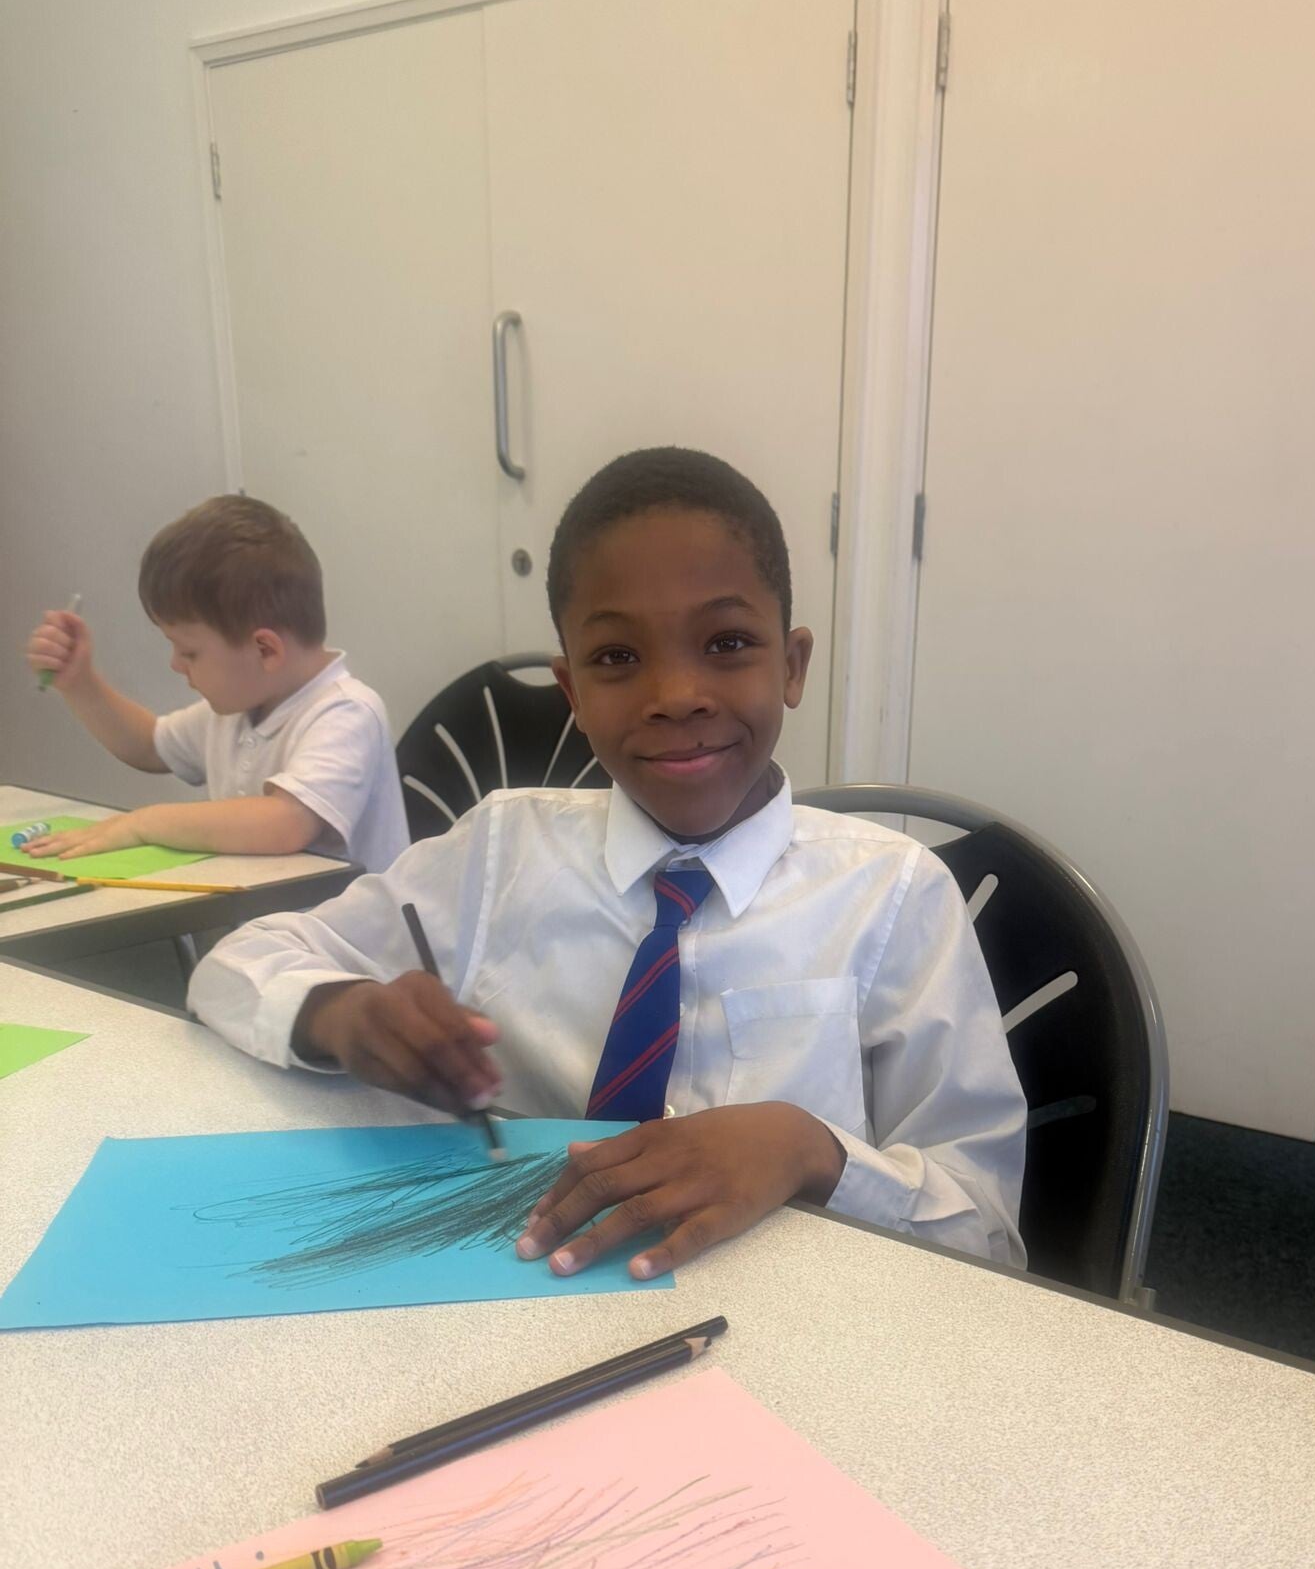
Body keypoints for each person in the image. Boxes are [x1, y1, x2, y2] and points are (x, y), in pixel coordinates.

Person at [188, 449, 1027, 1274]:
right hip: (514, 1290)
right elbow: (235, 966)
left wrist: (809, 1150)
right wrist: (339, 1014)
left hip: (795, 1324)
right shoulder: (499, 853)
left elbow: (986, 1229)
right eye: (618, 658)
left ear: (793, 665)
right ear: (573, 696)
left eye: (728, 642)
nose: (676, 695)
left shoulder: (894, 897)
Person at [22, 495, 408, 872]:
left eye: (189, 652)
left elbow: (286, 821)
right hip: (266, 917)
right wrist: (80, 683)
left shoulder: (346, 712)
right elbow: (149, 746)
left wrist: (143, 823)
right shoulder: (237, 711)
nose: (176, 664)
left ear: (265, 650)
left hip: (348, 920)